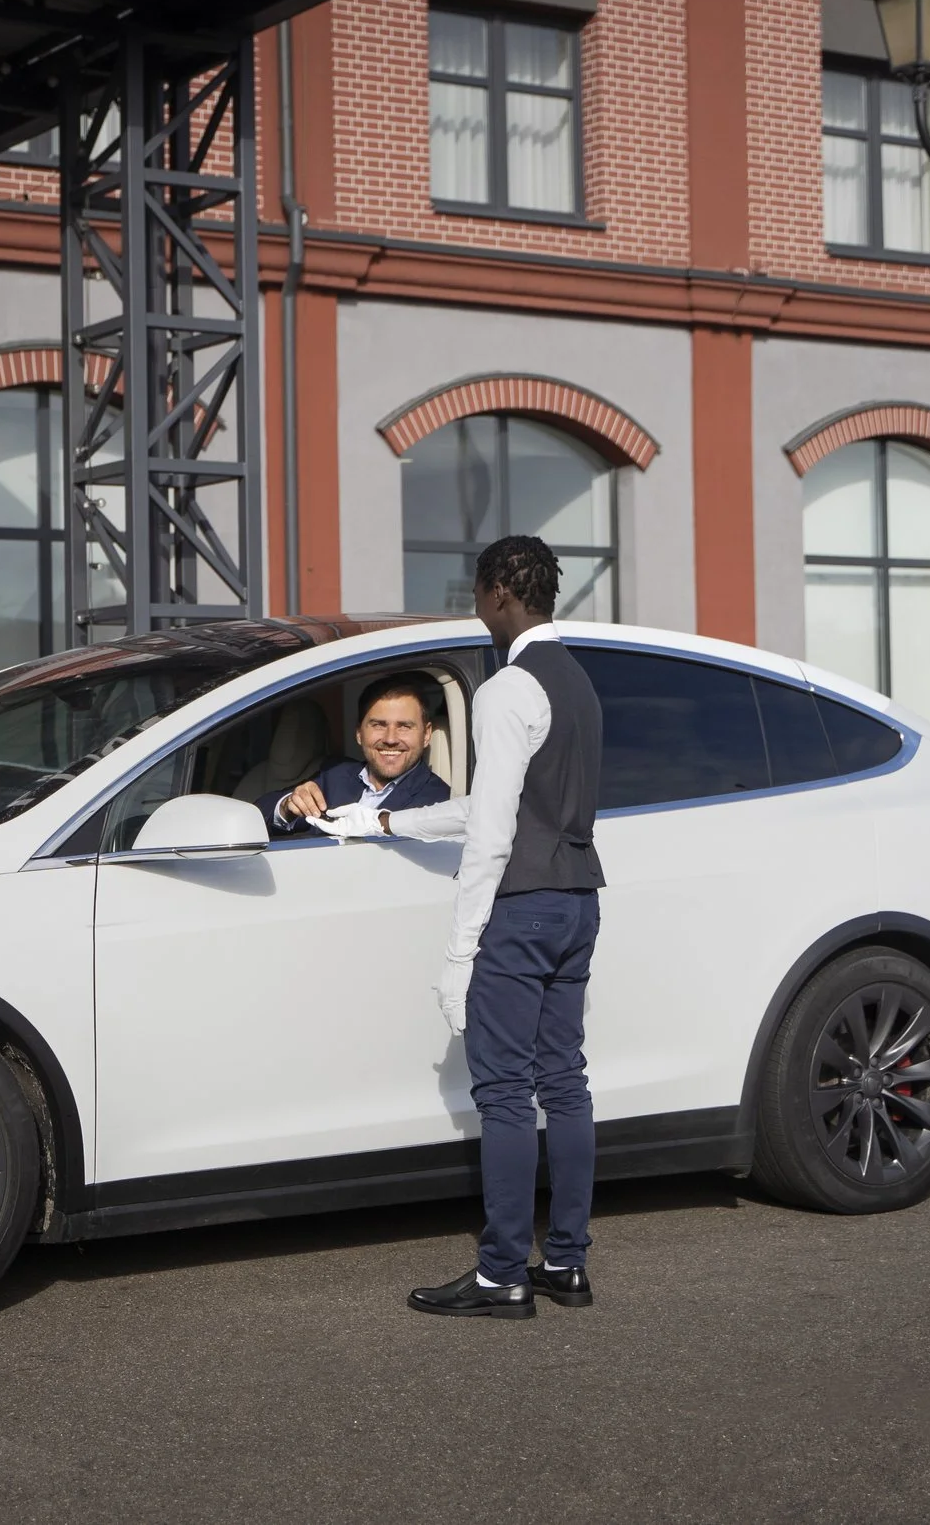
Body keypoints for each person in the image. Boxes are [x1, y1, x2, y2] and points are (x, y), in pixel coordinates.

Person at [316, 534, 605, 1318]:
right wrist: (394, 825)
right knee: (566, 1081)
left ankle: (502, 1272)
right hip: (579, 897)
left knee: (507, 1092)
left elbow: (495, 834)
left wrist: (460, 950)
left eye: (478, 597)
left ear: (500, 594)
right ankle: (567, 1264)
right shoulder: (577, 681)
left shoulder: (509, 687)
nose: (477, 611)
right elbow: (497, 806)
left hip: (522, 907)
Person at [268, 673, 454, 835]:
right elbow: (260, 809)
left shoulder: (438, 802)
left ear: (427, 734)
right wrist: (286, 807)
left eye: (404, 726)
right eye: (378, 725)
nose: (390, 739)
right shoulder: (334, 775)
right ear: (359, 733)